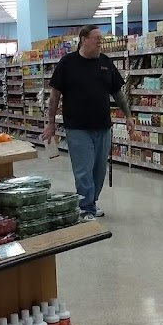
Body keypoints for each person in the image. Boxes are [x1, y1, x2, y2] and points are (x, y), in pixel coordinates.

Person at [42, 25, 136, 222]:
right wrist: (50, 123)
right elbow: (54, 96)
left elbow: (117, 93)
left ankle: (91, 202)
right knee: (83, 170)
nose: (100, 42)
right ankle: (85, 208)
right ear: (84, 40)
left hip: (103, 127)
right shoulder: (67, 63)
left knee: (99, 170)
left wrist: (128, 115)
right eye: (97, 38)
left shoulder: (105, 62)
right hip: (77, 128)